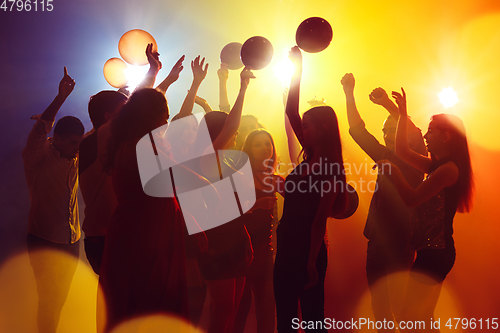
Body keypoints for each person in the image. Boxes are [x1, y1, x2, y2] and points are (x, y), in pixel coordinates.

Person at [377, 89, 474, 332]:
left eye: (431, 131)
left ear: (447, 136)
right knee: (421, 319)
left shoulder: (449, 170)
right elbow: (403, 152)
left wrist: (394, 172)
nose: (427, 136)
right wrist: (401, 113)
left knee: (410, 318)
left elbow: (411, 199)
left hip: (436, 253)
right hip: (431, 251)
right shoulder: (438, 166)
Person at [341, 73, 426, 331]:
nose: (389, 135)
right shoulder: (383, 154)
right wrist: (348, 93)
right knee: (379, 308)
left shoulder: (416, 157)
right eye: (386, 132)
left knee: (403, 308)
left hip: (400, 241)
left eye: (394, 131)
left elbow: (411, 132)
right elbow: (357, 131)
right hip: (376, 239)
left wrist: (390, 107)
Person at [99, 88, 188, 332]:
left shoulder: (140, 145)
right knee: (146, 303)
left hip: (150, 231)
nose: (166, 121)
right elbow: (175, 176)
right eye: (163, 115)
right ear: (148, 116)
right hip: (144, 236)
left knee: (147, 302)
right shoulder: (140, 148)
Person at [273, 46, 347, 333]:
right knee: (286, 319)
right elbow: (290, 110)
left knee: (314, 319)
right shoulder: (308, 159)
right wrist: (297, 71)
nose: (301, 130)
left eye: (307, 126)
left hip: (308, 248)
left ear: (324, 129)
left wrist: (312, 259)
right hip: (287, 242)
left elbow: (318, 220)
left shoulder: (330, 168)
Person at [192, 66, 255, 333]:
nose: (236, 133)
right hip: (217, 242)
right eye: (230, 130)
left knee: (233, 309)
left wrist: (245, 236)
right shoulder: (207, 159)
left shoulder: (229, 162)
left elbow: (233, 208)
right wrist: (242, 87)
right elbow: (232, 124)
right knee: (222, 310)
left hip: (234, 239)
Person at [22, 67, 83, 333]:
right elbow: (37, 135)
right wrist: (60, 98)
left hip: (72, 240)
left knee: (60, 301)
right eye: (71, 143)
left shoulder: (76, 153)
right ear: (55, 138)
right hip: (44, 240)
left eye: (78, 143)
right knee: (48, 301)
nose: (76, 148)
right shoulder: (38, 157)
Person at [233, 129, 284, 333]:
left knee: (266, 306)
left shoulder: (274, 178)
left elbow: (301, 196)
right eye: (258, 144)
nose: (264, 148)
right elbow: (228, 211)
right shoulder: (239, 176)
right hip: (239, 249)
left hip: (264, 248)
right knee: (239, 307)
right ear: (248, 150)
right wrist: (256, 204)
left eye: (267, 144)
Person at [79, 90, 127, 275]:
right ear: (109, 117)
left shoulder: (110, 144)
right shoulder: (92, 142)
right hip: (104, 239)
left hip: (106, 238)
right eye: (123, 111)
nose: (128, 116)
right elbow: (140, 109)